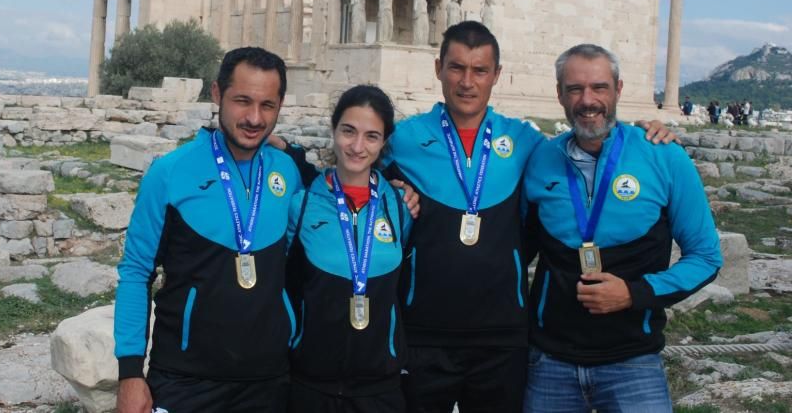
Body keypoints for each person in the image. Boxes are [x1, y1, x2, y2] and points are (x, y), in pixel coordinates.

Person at [380, 21, 674, 413]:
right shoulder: (401, 140)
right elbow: (351, 167)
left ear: (496, 75)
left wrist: (642, 131)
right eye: (456, 68)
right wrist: (282, 147)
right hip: (422, 335)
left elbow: (589, 137)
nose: (467, 82)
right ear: (438, 69)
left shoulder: (526, 142)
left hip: (503, 339)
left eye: (480, 70)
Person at [521, 44, 722, 412]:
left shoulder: (664, 155)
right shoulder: (540, 159)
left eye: (599, 87)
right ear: (559, 95)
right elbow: (514, 248)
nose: (588, 100)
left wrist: (635, 293)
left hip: (633, 363)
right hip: (550, 363)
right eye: (575, 89)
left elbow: (706, 256)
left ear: (618, 89)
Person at [113, 47, 303, 413]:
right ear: (217, 94)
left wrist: (394, 190)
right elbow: (136, 273)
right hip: (185, 379)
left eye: (267, 105)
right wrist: (130, 374)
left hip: (270, 379)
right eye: (242, 101)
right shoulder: (169, 173)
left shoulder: (287, 172)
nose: (253, 117)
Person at [284, 85, 413, 412]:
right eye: (348, 131)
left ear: (384, 142)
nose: (357, 146)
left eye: (371, 136)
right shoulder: (302, 205)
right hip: (309, 385)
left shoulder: (400, 207)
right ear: (334, 130)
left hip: (380, 389)